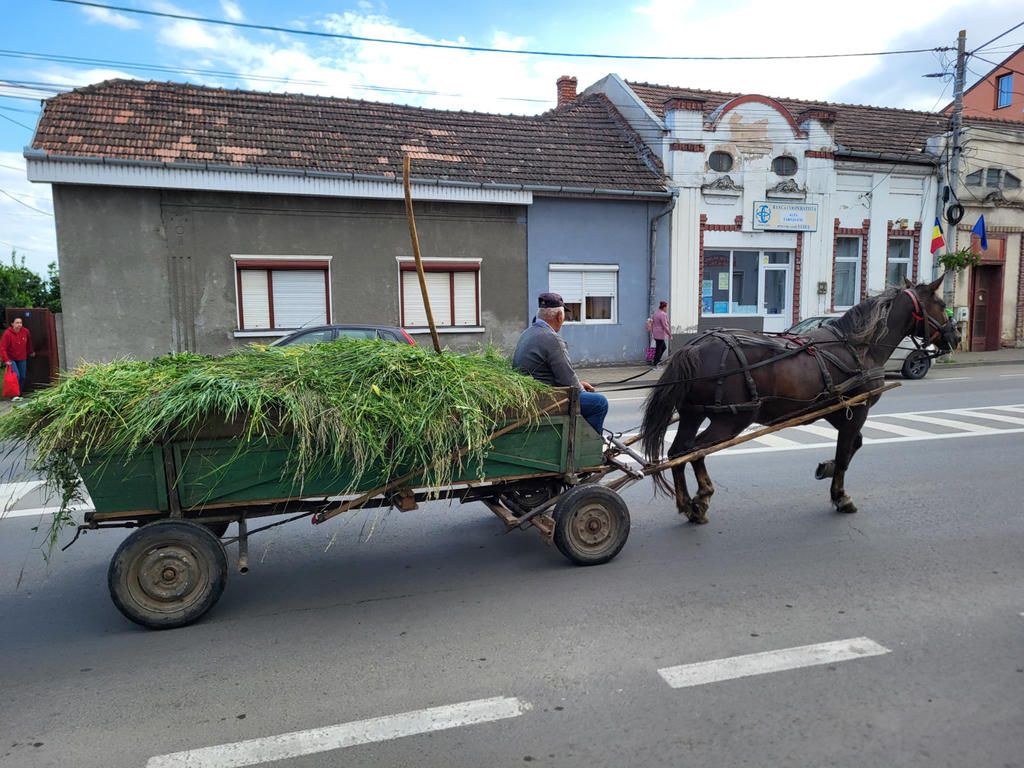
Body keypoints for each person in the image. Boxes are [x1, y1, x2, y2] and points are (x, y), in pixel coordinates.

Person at [512, 292, 609, 435]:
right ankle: (587, 449)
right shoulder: (552, 339)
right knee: (599, 403)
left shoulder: (527, 333)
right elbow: (567, 379)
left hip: (532, 395)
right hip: (546, 400)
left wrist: (579, 385)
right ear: (559, 316)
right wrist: (580, 390)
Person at [1, 317, 34, 397]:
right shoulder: (7, 334)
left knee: (22, 376)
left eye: (20, 323)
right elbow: (2, 348)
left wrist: (31, 351)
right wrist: (6, 360)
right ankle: (15, 395)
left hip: (22, 357)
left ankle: (19, 394)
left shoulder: (25, 331)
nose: (19, 324)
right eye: (17, 323)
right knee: (16, 376)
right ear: (12, 324)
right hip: (11, 358)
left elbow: (28, 343)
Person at [651, 300, 671, 367]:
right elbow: (665, 326)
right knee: (659, 349)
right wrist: (670, 334)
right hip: (660, 334)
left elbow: (653, 324)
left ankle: (656, 361)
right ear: (664, 307)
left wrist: (653, 332)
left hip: (656, 333)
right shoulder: (662, 314)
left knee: (662, 348)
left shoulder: (656, 313)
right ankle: (655, 364)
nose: (667, 309)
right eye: (666, 307)